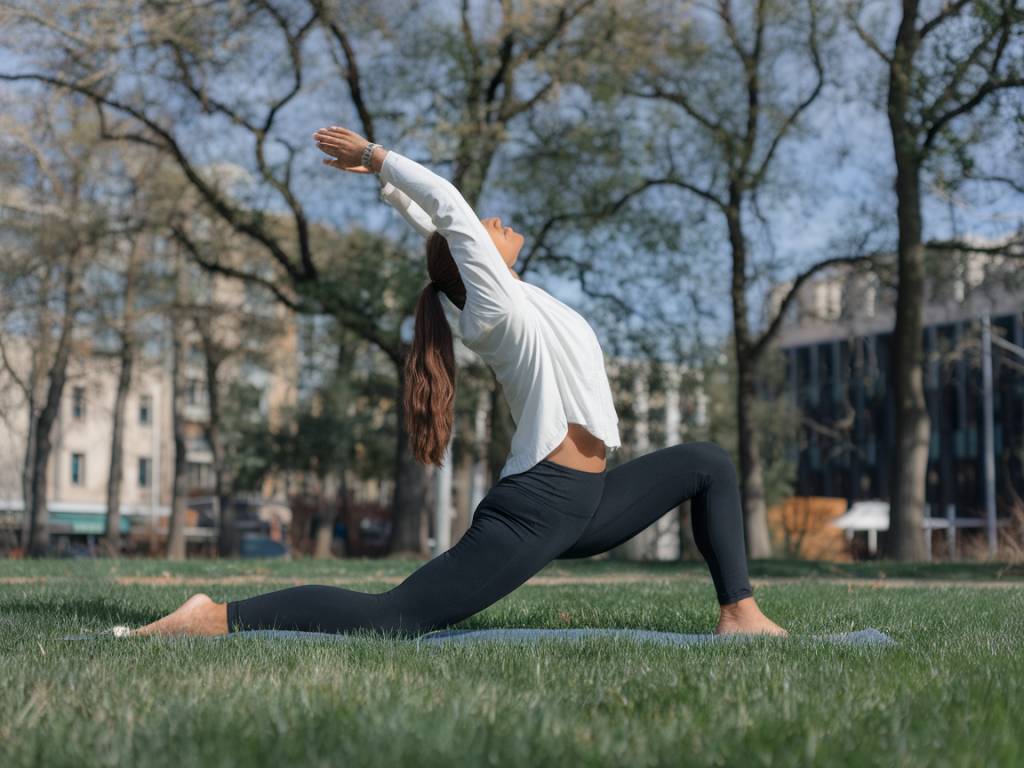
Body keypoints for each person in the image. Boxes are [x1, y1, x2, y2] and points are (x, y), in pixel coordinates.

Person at [131, 126, 786, 638]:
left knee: (707, 464)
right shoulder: (494, 307)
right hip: (543, 504)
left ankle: (741, 615)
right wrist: (380, 157)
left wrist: (388, 191)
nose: (494, 223)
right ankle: (215, 616)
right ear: (474, 264)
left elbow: (442, 229)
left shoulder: (509, 299)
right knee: (393, 619)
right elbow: (450, 212)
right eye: (481, 231)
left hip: (587, 502)